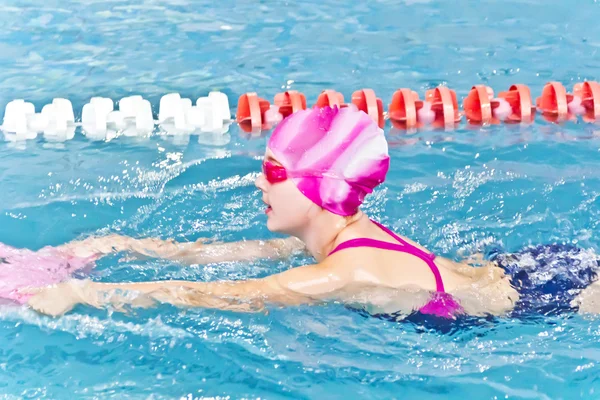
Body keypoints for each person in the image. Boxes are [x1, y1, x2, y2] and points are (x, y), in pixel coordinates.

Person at [19, 106, 600, 319]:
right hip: (523, 268)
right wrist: (122, 245)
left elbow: (226, 294)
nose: (257, 181)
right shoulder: (336, 239)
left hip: (546, 299)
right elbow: (214, 259)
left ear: (319, 189)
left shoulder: (342, 270)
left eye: (274, 172)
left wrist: (90, 298)